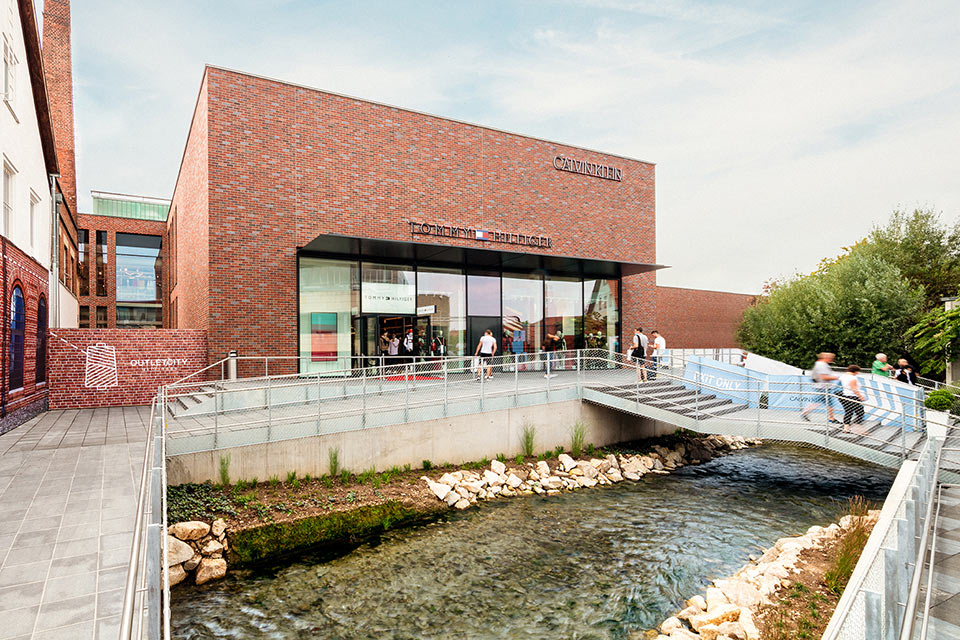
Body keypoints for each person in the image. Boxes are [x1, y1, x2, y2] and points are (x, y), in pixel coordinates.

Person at [801, 352, 840, 423]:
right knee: (818, 402)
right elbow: (823, 377)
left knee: (828, 403)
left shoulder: (821, 364)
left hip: (824, 387)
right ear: (826, 358)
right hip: (822, 388)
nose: (831, 360)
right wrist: (836, 378)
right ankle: (805, 413)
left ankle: (831, 418)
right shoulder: (821, 365)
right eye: (831, 358)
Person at [838, 365, 865, 429]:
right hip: (853, 396)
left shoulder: (843, 376)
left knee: (849, 411)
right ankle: (855, 424)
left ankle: (846, 426)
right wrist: (860, 396)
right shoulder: (853, 378)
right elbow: (854, 388)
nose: (858, 373)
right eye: (857, 372)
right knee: (859, 410)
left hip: (845, 395)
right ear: (855, 371)